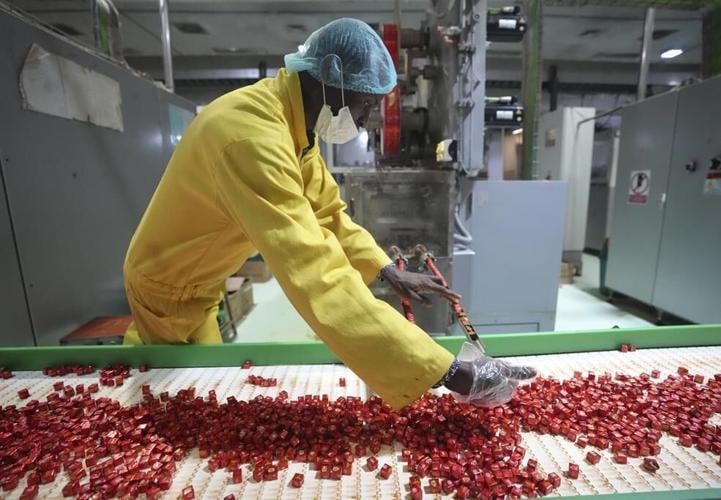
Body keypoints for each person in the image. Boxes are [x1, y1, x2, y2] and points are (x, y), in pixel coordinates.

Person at [123, 18, 536, 409]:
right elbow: (314, 273)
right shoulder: (251, 138)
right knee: (179, 401)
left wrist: (384, 269)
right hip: (169, 291)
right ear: (331, 80)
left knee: (202, 388)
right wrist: (446, 371)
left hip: (200, 288)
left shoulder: (290, 125)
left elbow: (328, 213)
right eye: (364, 104)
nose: (365, 120)